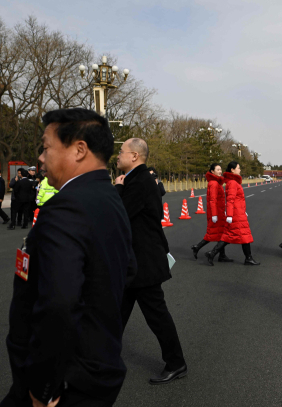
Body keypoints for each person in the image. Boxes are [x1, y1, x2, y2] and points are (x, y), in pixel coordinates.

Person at [2, 108, 136, 406]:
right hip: (100, 367)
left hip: (65, 382)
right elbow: (128, 269)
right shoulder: (111, 198)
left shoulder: (65, 208)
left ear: (79, 150)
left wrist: (43, 389)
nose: (40, 157)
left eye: (46, 147)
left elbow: (58, 303)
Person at [115, 138, 187, 385]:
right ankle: (100, 356)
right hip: (136, 261)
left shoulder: (139, 182)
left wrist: (117, 188)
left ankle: (176, 363)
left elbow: (119, 215)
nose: (117, 155)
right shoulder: (140, 180)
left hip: (143, 262)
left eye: (121, 152)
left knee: (157, 316)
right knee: (116, 312)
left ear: (134, 156)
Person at [205, 161, 260, 265]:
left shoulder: (232, 182)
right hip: (236, 214)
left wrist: (243, 211)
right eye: (238, 168)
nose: (240, 170)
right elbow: (230, 200)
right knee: (244, 235)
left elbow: (238, 200)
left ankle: (212, 253)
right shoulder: (233, 183)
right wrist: (230, 215)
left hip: (238, 212)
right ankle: (248, 258)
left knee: (230, 235)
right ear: (232, 170)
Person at [191, 163, 233, 261]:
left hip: (219, 212)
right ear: (212, 171)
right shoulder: (214, 183)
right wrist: (214, 214)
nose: (220, 171)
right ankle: (197, 247)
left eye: (220, 169)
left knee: (219, 233)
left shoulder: (216, 182)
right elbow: (212, 200)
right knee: (214, 233)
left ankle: (221, 255)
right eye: (217, 170)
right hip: (216, 213)